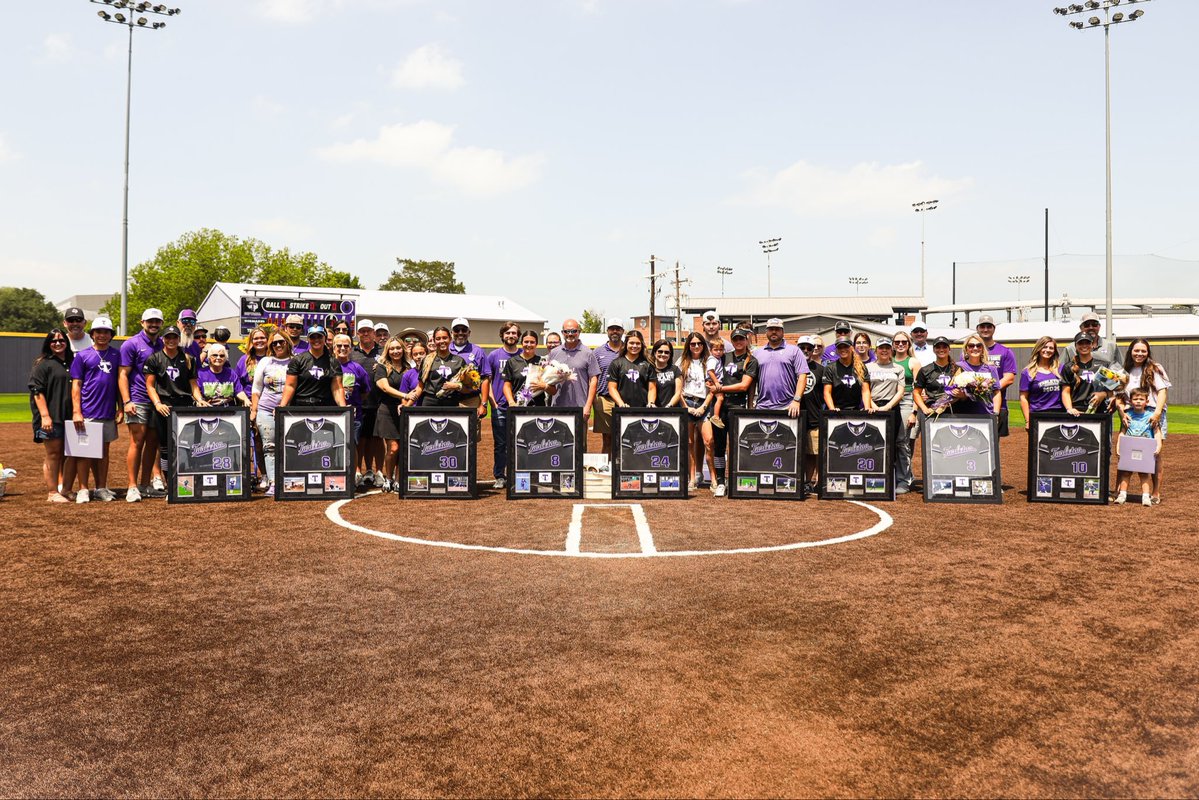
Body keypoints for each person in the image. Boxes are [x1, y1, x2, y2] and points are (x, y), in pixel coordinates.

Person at [67, 316, 122, 503]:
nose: (102, 335)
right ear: (92, 334)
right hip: (88, 411)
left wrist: (120, 408)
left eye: (106, 332)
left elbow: (120, 383)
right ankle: (83, 489)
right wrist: (76, 411)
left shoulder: (116, 355)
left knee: (104, 453)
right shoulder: (82, 355)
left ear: (111, 335)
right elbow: (76, 385)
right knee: (85, 453)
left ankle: (101, 487)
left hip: (107, 411)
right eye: (98, 332)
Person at [143, 325, 199, 492]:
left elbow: (193, 385)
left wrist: (200, 399)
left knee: (187, 445)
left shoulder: (188, 359)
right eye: (168, 337)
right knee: (166, 448)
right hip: (164, 407)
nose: (171, 340)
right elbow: (150, 386)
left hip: (184, 406)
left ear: (178, 339)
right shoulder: (154, 359)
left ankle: (186, 481)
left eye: (174, 337)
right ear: (163, 339)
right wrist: (158, 404)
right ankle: (170, 484)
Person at [117, 308, 164, 502]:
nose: (153, 325)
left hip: (158, 402)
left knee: (153, 443)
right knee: (137, 441)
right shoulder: (131, 344)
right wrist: (127, 402)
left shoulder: (163, 343)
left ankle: (145, 485)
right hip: (138, 399)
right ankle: (132, 486)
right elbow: (122, 375)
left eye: (157, 322)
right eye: (150, 321)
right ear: (142, 322)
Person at [707, 328, 759, 496]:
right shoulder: (724, 356)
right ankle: (721, 481)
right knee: (719, 446)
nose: (738, 342)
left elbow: (745, 386)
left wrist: (720, 388)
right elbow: (710, 370)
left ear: (746, 340)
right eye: (735, 339)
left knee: (738, 447)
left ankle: (737, 479)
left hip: (738, 407)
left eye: (741, 339)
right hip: (720, 406)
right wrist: (712, 385)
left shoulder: (751, 360)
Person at [1117, 338, 1170, 503]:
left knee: (1155, 454)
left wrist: (1157, 413)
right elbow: (1118, 396)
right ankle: (1120, 490)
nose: (1139, 353)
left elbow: (1162, 392)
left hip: (1152, 413)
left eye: (1143, 351)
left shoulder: (1155, 368)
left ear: (1148, 352)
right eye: (1136, 350)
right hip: (1130, 413)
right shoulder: (1124, 370)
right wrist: (1121, 412)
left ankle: (1155, 493)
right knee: (1125, 452)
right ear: (1130, 351)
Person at [29, 329, 74, 502]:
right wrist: (45, 416)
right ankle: (52, 492)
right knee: (54, 454)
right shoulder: (43, 364)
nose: (57, 343)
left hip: (71, 417)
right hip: (52, 417)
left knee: (72, 454)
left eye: (61, 340)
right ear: (48, 343)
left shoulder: (72, 362)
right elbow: (37, 391)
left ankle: (67, 489)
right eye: (53, 341)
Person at [249, 331, 292, 496]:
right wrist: (254, 410)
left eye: (281, 342)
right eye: (274, 343)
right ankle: (274, 482)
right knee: (269, 446)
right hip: (265, 410)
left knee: (290, 446)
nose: (278, 345)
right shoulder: (266, 361)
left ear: (288, 342)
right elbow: (256, 388)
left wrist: (284, 406)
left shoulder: (295, 361)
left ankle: (289, 480)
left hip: (288, 411)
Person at [865, 338, 909, 492]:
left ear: (892, 350)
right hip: (872, 407)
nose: (884, 351)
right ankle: (875, 477)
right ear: (875, 350)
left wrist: (888, 407)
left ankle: (900, 480)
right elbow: (865, 390)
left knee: (897, 444)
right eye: (881, 348)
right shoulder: (868, 367)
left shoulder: (898, 368)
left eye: (887, 348)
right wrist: (874, 406)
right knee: (874, 444)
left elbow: (901, 391)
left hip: (893, 408)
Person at [372, 334, 414, 492]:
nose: (395, 351)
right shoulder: (382, 367)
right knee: (393, 447)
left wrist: (407, 400)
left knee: (403, 447)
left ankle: (398, 479)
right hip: (387, 411)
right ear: (387, 350)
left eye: (398, 348)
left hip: (405, 410)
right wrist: (404, 395)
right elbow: (384, 387)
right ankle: (388, 478)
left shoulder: (409, 368)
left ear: (403, 350)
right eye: (392, 348)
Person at [485, 322, 522, 489]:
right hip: (500, 406)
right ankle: (499, 475)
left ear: (518, 336)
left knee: (520, 442)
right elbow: (488, 381)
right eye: (507, 333)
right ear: (502, 335)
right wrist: (492, 402)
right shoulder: (494, 355)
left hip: (521, 408)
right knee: (501, 444)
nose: (511, 336)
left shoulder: (523, 355)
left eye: (514, 333)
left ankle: (518, 474)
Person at [678, 331, 715, 491]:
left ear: (703, 345)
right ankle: (692, 478)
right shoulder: (682, 361)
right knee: (689, 443)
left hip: (703, 403)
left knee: (709, 441)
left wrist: (703, 407)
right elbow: (678, 388)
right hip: (687, 402)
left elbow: (713, 388)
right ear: (688, 345)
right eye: (693, 344)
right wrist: (686, 407)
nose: (696, 346)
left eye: (699, 343)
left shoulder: (710, 361)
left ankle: (714, 478)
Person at [1114, 387, 1162, 507]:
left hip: (1145, 449)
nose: (1138, 401)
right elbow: (1122, 433)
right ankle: (1122, 495)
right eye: (1135, 399)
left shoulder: (1151, 416)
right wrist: (1118, 447)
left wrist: (1158, 446)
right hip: (1129, 448)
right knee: (1126, 473)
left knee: (1144, 474)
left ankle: (1145, 497)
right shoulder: (1127, 416)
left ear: (1147, 401)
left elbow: (1157, 433)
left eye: (1141, 399)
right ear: (1130, 401)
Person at [543, 320, 600, 421]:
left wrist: (588, 406)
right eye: (567, 331)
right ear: (562, 333)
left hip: (579, 406)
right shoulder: (554, 353)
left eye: (573, 331)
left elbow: (594, 380)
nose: (570, 334)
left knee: (579, 436)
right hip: (558, 405)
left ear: (579, 332)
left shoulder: (588, 353)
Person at [237, 325, 272, 485]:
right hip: (252, 406)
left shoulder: (274, 357)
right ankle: (263, 475)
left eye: (262, 338)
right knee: (258, 442)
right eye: (255, 338)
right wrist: (249, 404)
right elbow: (238, 384)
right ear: (251, 341)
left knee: (274, 442)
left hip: (271, 404)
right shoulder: (243, 361)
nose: (259, 341)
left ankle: (276, 474)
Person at [754, 318, 809, 417]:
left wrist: (796, 400)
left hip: (788, 407)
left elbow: (803, 376)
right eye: (771, 329)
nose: (774, 331)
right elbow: (753, 380)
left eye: (777, 329)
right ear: (766, 332)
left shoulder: (794, 351)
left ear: (783, 332)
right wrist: (750, 405)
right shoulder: (757, 352)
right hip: (762, 407)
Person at [280, 326, 345, 407]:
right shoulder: (297, 360)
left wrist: (343, 408)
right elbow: (290, 386)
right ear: (308, 339)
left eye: (319, 337)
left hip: (325, 408)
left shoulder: (333, 362)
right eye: (312, 337)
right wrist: (282, 407)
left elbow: (337, 388)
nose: (316, 340)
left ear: (325, 338)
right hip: (300, 407)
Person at [975, 315, 1018, 436]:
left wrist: (987, 389)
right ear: (977, 329)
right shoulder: (970, 350)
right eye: (982, 326)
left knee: (994, 444)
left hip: (998, 404)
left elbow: (1009, 378)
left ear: (993, 329)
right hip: (974, 405)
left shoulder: (1005, 351)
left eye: (989, 326)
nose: (985, 329)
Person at [1019, 336, 1076, 423]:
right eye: (1044, 347)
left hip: (1059, 413)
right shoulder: (1028, 372)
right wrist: (1028, 420)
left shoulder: (1061, 369)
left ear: (1054, 351)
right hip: (1038, 414)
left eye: (1051, 348)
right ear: (1038, 348)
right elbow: (1023, 398)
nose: (1048, 350)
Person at [333, 334, 372, 460]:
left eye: (346, 346)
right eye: (339, 346)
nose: (342, 348)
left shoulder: (357, 368)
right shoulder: (329, 366)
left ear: (350, 349)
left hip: (354, 416)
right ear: (333, 348)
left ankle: (351, 477)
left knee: (351, 447)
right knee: (332, 447)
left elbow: (365, 392)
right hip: (332, 415)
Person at [891, 330, 921, 486]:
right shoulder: (889, 360)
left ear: (909, 344)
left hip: (907, 401)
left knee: (902, 441)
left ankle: (904, 479)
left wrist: (914, 412)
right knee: (890, 441)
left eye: (903, 342)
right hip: (890, 401)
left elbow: (918, 390)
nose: (900, 345)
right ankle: (895, 475)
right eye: (897, 342)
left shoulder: (913, 362)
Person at [592, 318, 626, 455]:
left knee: (625, 437)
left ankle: (622, 469)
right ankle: (607, 469)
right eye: (612, 328)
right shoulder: (598, 352)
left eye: (618, 328)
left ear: (623, 331)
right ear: (607, 331)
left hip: (625, 399)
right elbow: (593, 377)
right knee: (607, 438)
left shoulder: (629, 349)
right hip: (605, 399)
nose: (615, 331)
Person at [448, 317, 491, 420]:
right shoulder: (446, 349)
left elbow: (485, 378)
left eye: (464, 330)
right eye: (457, 330)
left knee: (472, 433)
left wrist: (484, 404)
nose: (460, 332)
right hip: (448, 400)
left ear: (469, 332)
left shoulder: (477, 351)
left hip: (471, 400)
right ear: (451, 332)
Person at [913, 336, 960, 428]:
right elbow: (916, 392)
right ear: (934, 350)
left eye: (944, 347)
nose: (941, 349)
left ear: (949, 349)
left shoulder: (957, 369)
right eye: (938, 347)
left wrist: (959, 394)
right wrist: (924, 408)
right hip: (932, 411)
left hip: (953, 411)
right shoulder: (925, 370)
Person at [797, 335, 824, 492]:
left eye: (809, 348)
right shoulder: (790, 366)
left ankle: (817, 481)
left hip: (814, 416)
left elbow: (825, 394)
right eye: (802, 348)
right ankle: (804, 480)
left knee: (815, 452)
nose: (806, 351)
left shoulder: (820, 369)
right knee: (800, 453)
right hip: (794, 416)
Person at [415, 326, 467, 408]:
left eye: (444, 338)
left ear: (450, 339)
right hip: (430, 402)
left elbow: (467, 388)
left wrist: (457, 386)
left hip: (451, 402)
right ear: (434, 341)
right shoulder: (427, 360)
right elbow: (420, 386)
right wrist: (406, 403)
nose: (441, 341)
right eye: (438, 338)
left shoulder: (459, 361)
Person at [1062, 332, 1111, 414]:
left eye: (1087, 342)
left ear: (1092, 345)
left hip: (1098, 410)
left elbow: (1111, 390)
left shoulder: (1103, 365)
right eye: (1080, 343)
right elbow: (1065, 391)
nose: (1084, 346)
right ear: (1075, 346)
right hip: (1076, 411)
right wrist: (1070, 409)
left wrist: (1103, 394)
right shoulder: (1069, 367)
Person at [955, 333, 1002, 416]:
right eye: (971, 346)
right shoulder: (959, 367)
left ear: (982, 349)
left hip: (987, 414)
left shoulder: (991, 368)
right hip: (965, 414)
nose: (975, 348)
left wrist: (996, 413)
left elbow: (996, 392)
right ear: (966, 349)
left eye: (978, 345)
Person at [823, 336, 870, 412]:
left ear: (852, 348)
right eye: (840, 347)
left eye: (846, 346)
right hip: (837, 410)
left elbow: (865, 390)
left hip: (856, 411)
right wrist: (832, 409)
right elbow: (827, 392)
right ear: (837, 350)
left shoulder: (861, 367)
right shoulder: (830, 368)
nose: (843, 349)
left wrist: (867, 407)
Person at [606, 330, 652, 408]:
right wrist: (621, 403)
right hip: (622, 409)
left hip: (643, 409)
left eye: (638, 343)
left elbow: (652, 388)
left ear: (642, 345)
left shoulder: (648, 364)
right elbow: (612, 388)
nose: (634, 346)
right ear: (626, 344)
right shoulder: (616, 363)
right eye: (631, 343)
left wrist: (651, 403)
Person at [502, 331, 547, 407]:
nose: (529, 345)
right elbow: (507, 385)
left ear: (536, 344)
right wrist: (511, 402)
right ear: (521, 343)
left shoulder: (542, 362)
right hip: (519, 406)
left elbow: (551, 387)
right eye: (526, 342)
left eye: (532, 342)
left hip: (538, 407)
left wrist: (544, 386)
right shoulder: (512, 361)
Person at [648, 339, 682, 408]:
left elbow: (678, 392)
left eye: (666, 352)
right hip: (652, 411)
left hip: (671, 411)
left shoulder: (675, 370)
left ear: (670, 355)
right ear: (654, 353)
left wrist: (669, 406)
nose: (663, 354)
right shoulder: (648, 369)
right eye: (660, 351)